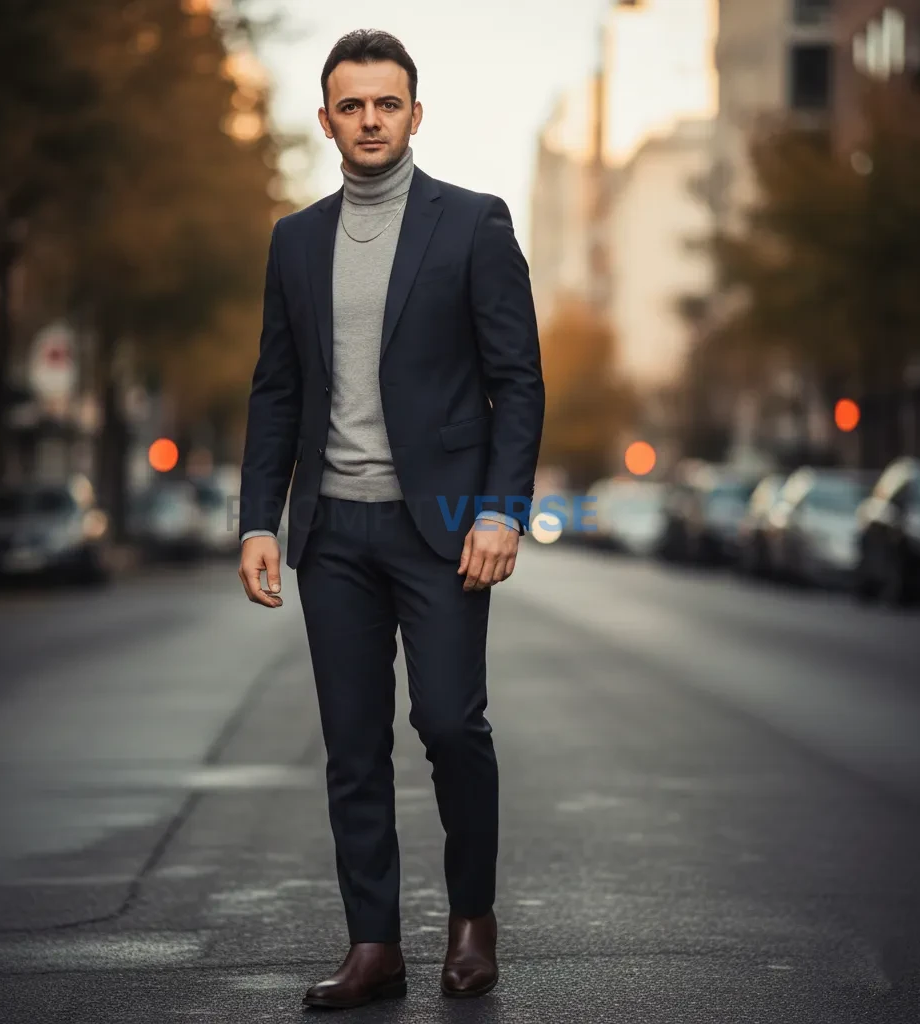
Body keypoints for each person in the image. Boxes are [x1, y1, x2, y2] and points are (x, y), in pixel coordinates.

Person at [237, 28, 544, 1009]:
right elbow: (274, 391)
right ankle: (374, 944)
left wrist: (499, 510)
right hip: (334, 535)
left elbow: (517, 381)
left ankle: (470, 919)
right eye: (351, 105)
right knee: (352, 747)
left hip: (443, 529)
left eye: (387, 103)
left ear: (415, 113)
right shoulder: (294, 240)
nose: (370, 119)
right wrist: (257, 521)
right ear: (326, 119)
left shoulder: (472, 225)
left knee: (451, 725)